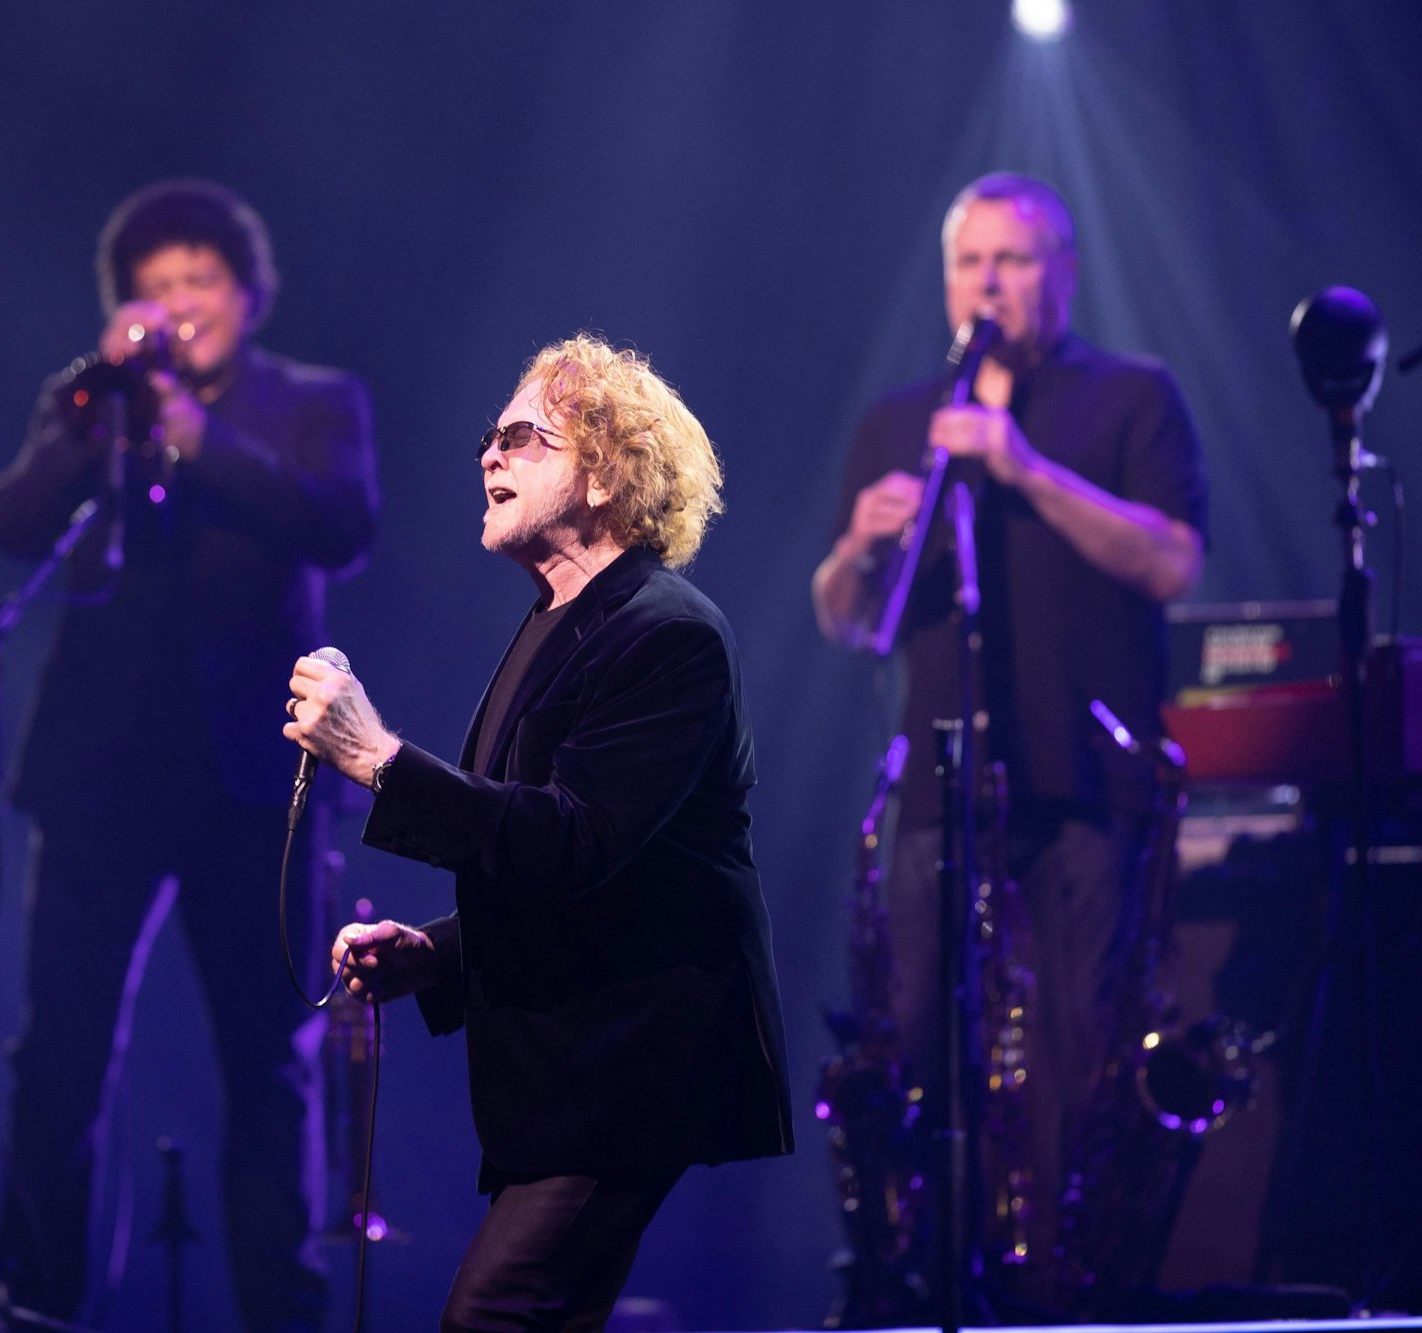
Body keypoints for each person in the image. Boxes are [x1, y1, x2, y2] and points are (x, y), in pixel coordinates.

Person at [285, 334, 793, 1332]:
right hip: (572, 1070)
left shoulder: (666, 633)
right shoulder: (556, 624)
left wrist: (380, 759)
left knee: (497, 1317)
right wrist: (433, 952)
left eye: (522, 437)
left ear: (603, 475)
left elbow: (577, 841)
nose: (489, 456)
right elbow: (567, 865)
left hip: (632, 1064)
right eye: (490, 437)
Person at [0, 178, 377, 1331]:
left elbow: (342, 524)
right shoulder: (93, 403)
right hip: (101, 775)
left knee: (268, 1067)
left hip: (257, 780)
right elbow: (10, 524)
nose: (177, 303)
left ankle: (281, 1315)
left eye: (197, 279)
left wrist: (203, 443)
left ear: (246, 293)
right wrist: (86, 411)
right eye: (153, 287)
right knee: (56, 1063)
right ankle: (39, 1308)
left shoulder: (312, 400)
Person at [810, 172, 1208, 1307]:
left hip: (1084, 782)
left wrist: (1020, 467)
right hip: (939, 791)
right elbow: (845, 618)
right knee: (925, 1046)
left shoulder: (1130, 397)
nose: (985, 282)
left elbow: (1172, 561)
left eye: (1011, 260)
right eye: (967, 262)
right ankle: (937, 1283)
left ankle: (1074, 1298)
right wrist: (853, 544)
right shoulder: (901, 422)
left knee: (1079, 1060)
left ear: (1061, 274)